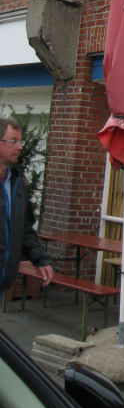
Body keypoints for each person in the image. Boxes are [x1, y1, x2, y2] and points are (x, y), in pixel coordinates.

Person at [0, 117, 53, 308]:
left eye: (20, 141)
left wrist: (41, 259)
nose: (20, 146)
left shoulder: (17, 183)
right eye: (13, 141)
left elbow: (25, 229)